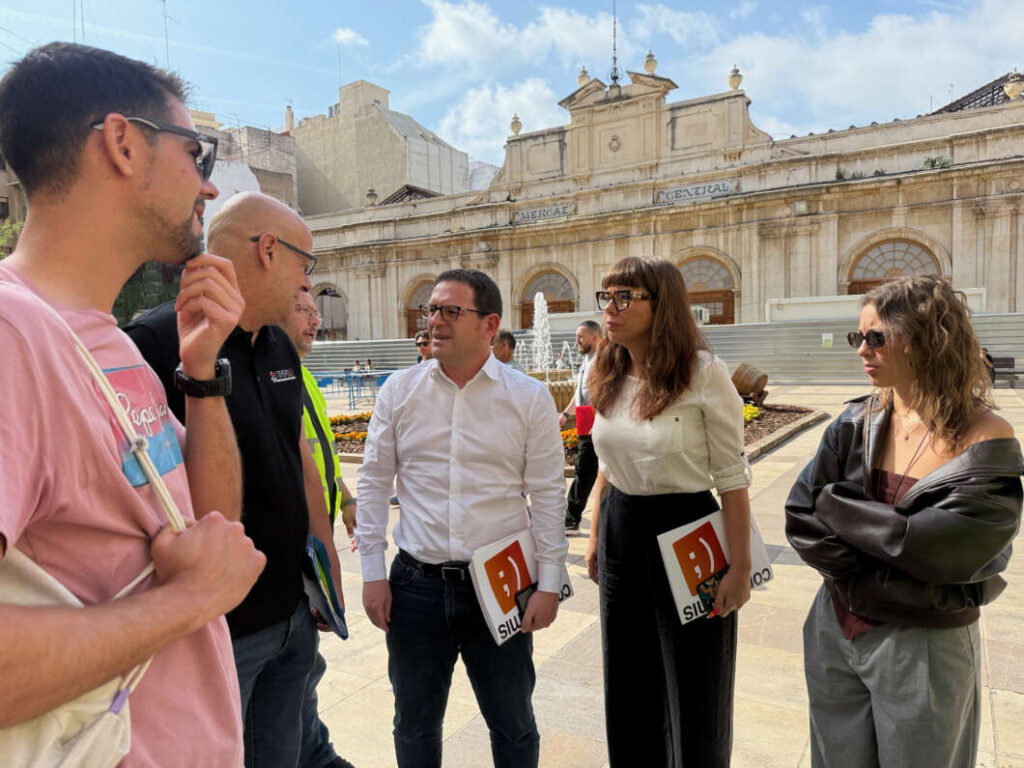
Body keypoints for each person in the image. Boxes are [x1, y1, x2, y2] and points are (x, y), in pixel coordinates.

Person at [0, 42, 265, 765]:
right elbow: (205, 580)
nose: (208, 189)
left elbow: (212, 529)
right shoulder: (11, 335)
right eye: (197, 154)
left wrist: (201, 373)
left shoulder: (103, 338)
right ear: (122, 144)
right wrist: (186, 602)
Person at [126, 191, 344, 768]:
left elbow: (298, 456)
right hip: (220, 630)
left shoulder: (277, 343)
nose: (308, 282)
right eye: (306, 263)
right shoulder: (152, 344)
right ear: (269, 250)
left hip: (290, 613)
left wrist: (324, 563)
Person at [785, 275, 1021, 768]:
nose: (862, 350)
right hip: (834, 626)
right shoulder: (856, 421)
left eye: (876, 337)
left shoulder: (986, 437)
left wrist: (837, 506)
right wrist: (885, 543)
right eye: (858, 338)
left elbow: (944, 550)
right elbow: (800, 516)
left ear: (926, 339)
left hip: (924, 641)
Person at [357, 269, 567, 768]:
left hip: (501, 585)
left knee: (513, 725)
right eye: (432, 309)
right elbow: (372, 483)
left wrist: (550, 583)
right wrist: (371, 573)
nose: (436, 320)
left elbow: (548, 495)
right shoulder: (399, 391)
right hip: (415, 587)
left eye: (452, 310)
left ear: (489, 324)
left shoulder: (528, 398)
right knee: (414, 726)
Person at [584, 256, 753, 767]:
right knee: (628, 674)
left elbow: (733, 478)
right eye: (606, 297)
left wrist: (740, 567)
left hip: (688, 529)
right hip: (621, 528)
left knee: (696, 677)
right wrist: (595, 535)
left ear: (662, 306)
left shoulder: (703, 374)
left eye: (624, 297)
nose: (610, 309)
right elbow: (606, 466)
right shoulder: (605, 370)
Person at [281, 291, 358, 768]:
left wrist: (344, 496)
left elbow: (318, 454)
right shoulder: (275, 374)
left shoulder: (301, 374)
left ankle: (312, 750)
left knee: (305, 665)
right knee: (299, 667)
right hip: (295, 548)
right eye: (303, 311)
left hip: (315, 542)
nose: (316, 320)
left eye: (316, 311)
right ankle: (314, 754)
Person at [559, 320, 603, 533]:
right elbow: (580, 394)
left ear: (595, 337)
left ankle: (571, 519)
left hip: (596, 423)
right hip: (586, 421)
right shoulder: (587, 360)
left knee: (584, 471)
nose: (577, 340)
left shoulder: (601, 360)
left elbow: (603, 393)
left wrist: (599, 420)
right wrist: (566, 415)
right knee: (586, 470)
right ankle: (573, 517)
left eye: (581, 336)